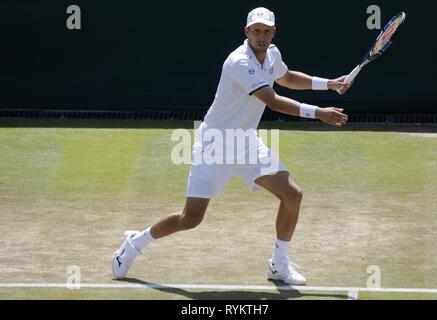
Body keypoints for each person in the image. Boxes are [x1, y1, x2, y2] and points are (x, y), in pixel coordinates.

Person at [112, 7, 349, 285]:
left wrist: (329, 84)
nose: (262, 36)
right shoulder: (238, 62)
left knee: (292, 194)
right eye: (256, 31)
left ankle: (279, 264)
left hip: (247, 143)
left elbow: (286, 77)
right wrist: (319, 112)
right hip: (214, 144)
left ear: (274, 32)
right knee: (190, 218)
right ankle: (134, 243)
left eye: (267, 31)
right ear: (247, 32)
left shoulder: (273, 54)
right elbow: (272, 99)